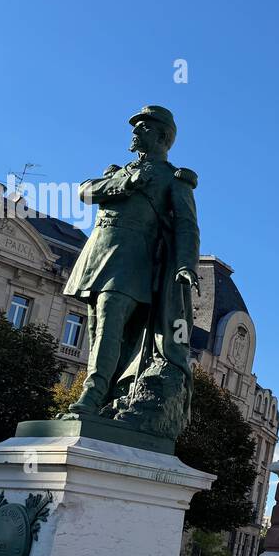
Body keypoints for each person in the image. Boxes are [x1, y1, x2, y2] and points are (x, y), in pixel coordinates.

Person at [63, 105, 200, 439]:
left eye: (144, 128)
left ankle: (91, 396)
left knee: (110, 327)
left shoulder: (173, 178)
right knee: (98, 331)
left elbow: (186, 226)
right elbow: (84, 191)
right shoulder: (117, 172)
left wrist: (185, 265)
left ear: (163, 137)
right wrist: (126, 183)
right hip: (97, 259)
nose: (135, 132)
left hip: (133, 265)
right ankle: (106, 398)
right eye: (135, 127)